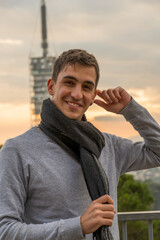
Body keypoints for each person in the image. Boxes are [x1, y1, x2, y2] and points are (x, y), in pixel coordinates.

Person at [0, 49, 160, 240]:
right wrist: (79, 226)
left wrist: (131, 109)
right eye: (69, 82)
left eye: (86, 87)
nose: (77, 94)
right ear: (51, 87)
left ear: (93, 96)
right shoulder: (17, 150)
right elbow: (6, 230)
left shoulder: (107, 146)